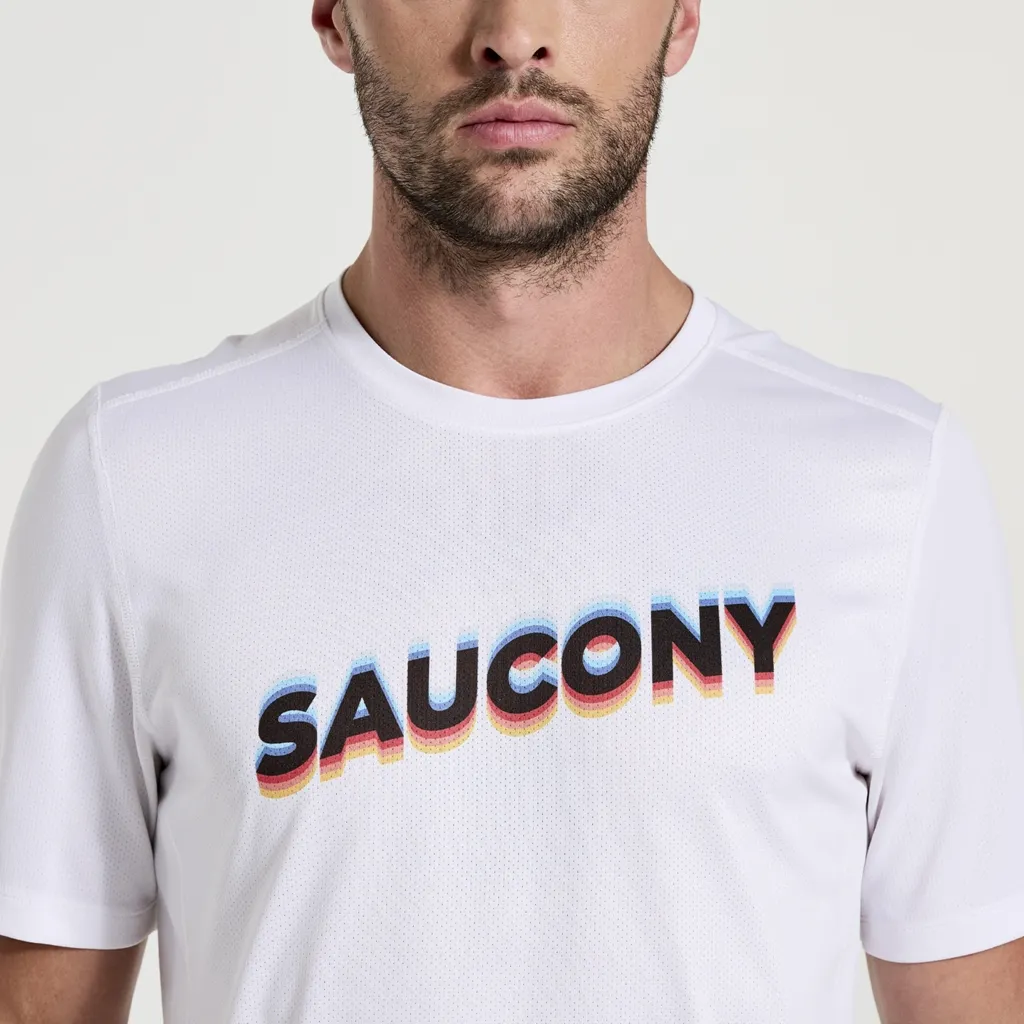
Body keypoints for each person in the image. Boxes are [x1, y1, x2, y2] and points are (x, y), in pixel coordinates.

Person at [2, 0, 1023, 1020]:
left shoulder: (890, 485)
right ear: (333, 16)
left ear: (681, 17)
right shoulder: (131, 479)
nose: (513, 30)